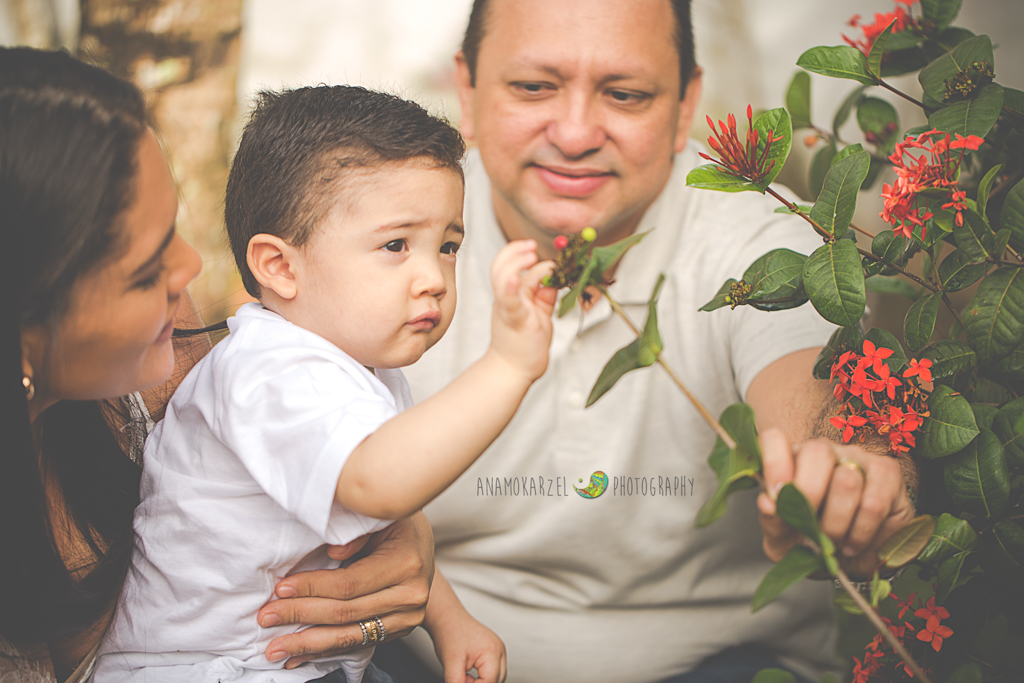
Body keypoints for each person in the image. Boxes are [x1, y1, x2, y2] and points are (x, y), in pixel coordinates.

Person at [377, 0, 917, 681]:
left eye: (625, 94)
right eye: (533, 87)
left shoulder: (760, 242)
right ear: (468, 87)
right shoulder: (380, 235)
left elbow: (810, 387)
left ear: (687, 103)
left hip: (718, 663)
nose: (574, 134)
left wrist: (841, 466)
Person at [94, 84, 557, 683]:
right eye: (396, 245)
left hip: (299, 663)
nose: (434, 278)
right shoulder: (269, 371)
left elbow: (384, 523)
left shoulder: (357, 365)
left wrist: (451, 621)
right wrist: (509, 364)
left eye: (447, 246)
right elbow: (377, 485)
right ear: (280, 267)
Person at [0, 48, 434, 683]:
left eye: (176, 226)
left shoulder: (162, 364)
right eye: (148, 265)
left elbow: (312, 453)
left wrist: (402, 538)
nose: (192, 270)